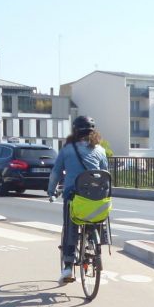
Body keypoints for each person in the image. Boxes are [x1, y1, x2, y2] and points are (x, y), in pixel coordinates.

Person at [48, 116, 109, 283]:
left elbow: (56, 172)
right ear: (93, 132)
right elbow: (105, 173)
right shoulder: (100, 150)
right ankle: (96, 248)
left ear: (74, 131)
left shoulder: (67, 150)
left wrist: (51, 191)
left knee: (70, 228)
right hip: (96, 198)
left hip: (74, 198)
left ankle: (68, 267)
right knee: (96, 219)